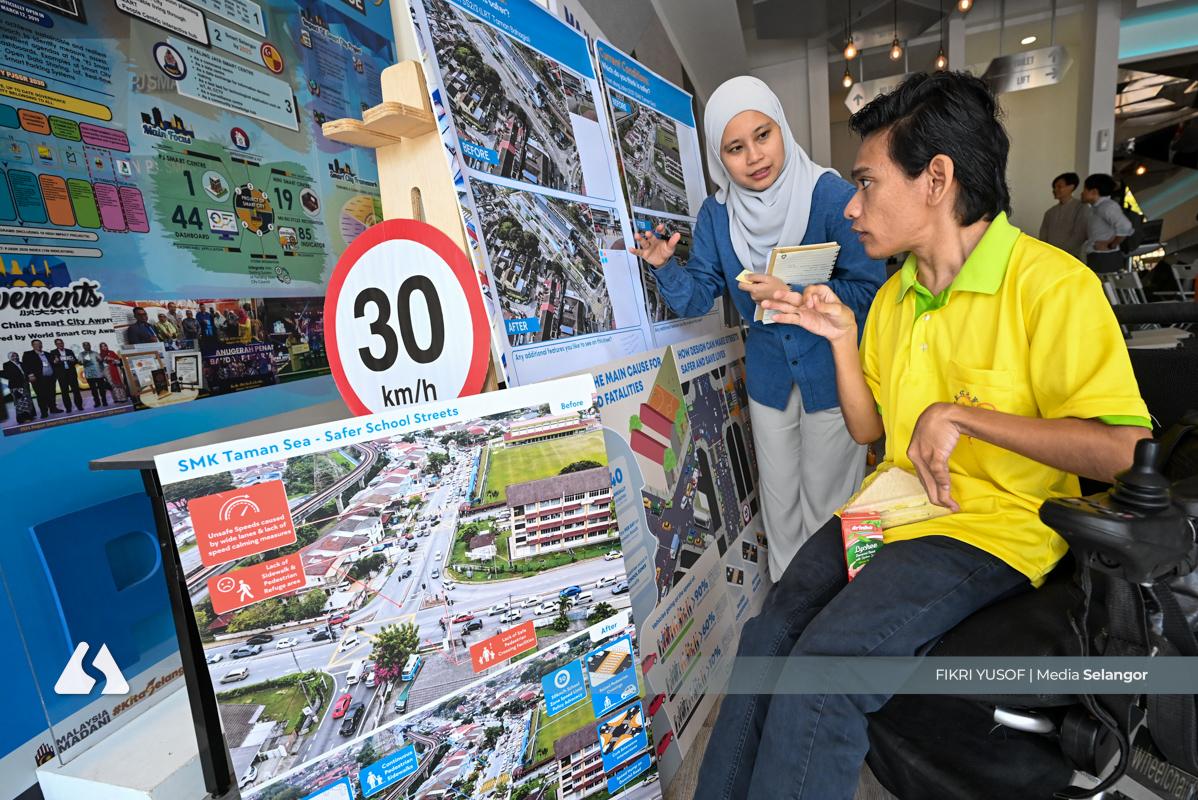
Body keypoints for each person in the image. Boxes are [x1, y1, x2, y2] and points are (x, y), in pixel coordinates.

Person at [696, 71, 1151, 800]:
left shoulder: (1051, 285)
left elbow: (1123, 450)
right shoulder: (895, 300)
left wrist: (963, 416)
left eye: (868, 183)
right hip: (890, 509)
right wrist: (843, 339)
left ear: (935, 180)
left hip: (988, 527)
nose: (852, 207)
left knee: (828, 666)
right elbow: (870, 429)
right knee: (767, 634)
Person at [630, 76, 885, 579]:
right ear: (718, 157)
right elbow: (700, 295)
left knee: (830, 500)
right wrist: (664, 266)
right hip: (769, 379)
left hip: (834, 376)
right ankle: (790, 608)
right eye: (735, 148)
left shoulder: (831, 197)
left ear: (782, 127)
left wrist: (792, 294)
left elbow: (871, 293)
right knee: (780, 501)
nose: (755, 157)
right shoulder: (717, 214)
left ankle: (833, 607)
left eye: (763, 135)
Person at [1037, 171, 1088, 257]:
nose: (1055, 190)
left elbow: (1079, 235)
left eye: (1059, 186)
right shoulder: (1050, 212)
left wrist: (1061, 253)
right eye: (1054, 187)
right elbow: (1043, 236)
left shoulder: (1081, 208)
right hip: (1050, 256)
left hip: (1073, 257)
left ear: (1071, 187)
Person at [1081, 172, 1133, 254]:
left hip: (1105, 256)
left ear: (1094, 192)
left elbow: (1125, 226)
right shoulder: (1094, 208)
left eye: (1085, 189)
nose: (1082, 193)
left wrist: (1111, 245)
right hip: (1095, 254)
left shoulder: (1107, 207)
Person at [22, 338, 60, 418]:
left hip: (50, 378)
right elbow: (25, 366)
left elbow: (52, 364)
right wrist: (30, 375)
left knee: (52, 394)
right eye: (36, 344)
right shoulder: (28, 354)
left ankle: (53, 408)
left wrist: (55, 362)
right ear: (32, 346)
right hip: (38, 379)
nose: (38, 345)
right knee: (41, 396)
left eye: (39, 344)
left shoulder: (47, 353)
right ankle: (44, 412)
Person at [50, 338, 83, 411]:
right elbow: (52, 363)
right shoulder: (53, 352)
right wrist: (55, 361)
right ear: (56, 345)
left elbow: (75, 361)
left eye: (61, 343)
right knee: (65, 392)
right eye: (58, 343)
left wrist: (73, 360)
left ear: (63, 343)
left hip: (71, 373)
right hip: (62, 375)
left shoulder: (69, 351)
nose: (60, 344)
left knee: (76, 390)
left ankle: (79, 406)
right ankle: (68, 408)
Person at [3, 351, 35, 424]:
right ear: (10, 357)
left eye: (16, 355)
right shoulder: (7, 364)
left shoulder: (21, 363)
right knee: (20, 403)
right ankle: (21, 419)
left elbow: (27, 372)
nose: (15, 357)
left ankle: (28, 416)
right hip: (16, 387)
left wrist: (30, 376)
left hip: (25, 385)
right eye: (13, 356)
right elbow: (10, 375)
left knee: (27, 401)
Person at [79, 342, 110, 407]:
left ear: (90, 345)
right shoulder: (81, 354)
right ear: (83, 347)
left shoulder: (95, 353)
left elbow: (101, 361)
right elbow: (80, 362)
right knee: (93, 390)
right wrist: (83, 361)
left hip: (98, 373)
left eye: (88, 345)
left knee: (102, 389)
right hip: (89, 375)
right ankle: (97, 403)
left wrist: (100, 360)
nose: (87, 346)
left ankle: (104, 401)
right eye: (85, 345)